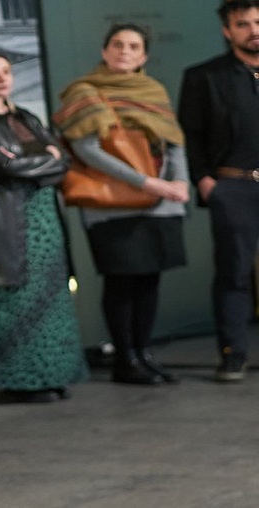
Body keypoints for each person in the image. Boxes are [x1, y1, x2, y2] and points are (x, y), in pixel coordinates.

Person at [0, 51, 87, 404]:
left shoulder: (24, 116)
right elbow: (0, 166)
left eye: (5, 72)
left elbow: (64, 161)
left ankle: (50, 374)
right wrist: (43, 162)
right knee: (8, 296)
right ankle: (15, 379)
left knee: (50, 297)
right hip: (0, 217)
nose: (1, 78)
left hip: (43, 217)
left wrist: (28, 162)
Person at [54, 24, 189, 385]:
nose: (124, 52)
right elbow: (86, 150)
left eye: (133, 46)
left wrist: (179, 182)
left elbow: (173, 141)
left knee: (149, 279)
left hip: (161, 202)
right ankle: (124, 359)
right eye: (117, 45)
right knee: (121, 281)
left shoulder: (154, 90)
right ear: (105, 50)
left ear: (143, 56)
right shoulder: (85, 91)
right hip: (111, 203)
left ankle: (143, 354)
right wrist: (147, 182)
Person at [178, 0, 259, 382]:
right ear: (228, 31)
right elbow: (190, 136)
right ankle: (233, 353)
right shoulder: (203, 76)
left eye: (258, 22)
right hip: (233, 186)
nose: (253, 30)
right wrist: (206, 182)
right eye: (243, 24)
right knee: (235, 273)